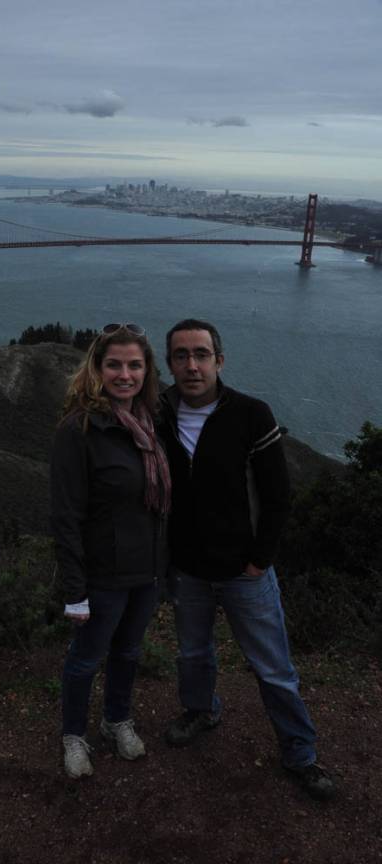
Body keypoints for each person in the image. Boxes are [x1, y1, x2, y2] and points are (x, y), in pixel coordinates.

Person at [157, 317, 334, 801]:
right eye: (181, 356)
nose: (191, 365)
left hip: (244, 571)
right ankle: (201, 711)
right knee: (192, 654)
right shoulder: (159, 415)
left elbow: (278, 496)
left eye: (201, 354)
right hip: (189, 569)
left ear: (219, 360)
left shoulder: (252, 414)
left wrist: (260, 559)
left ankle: (301, 753)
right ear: (169, 362)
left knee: (273, 667)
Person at [50, 323, 171, 779]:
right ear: (97, 369)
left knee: (128, 653)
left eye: (134, 365)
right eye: (114, 364)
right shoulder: (79, 429)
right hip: (102, 574)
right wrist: (75, 589)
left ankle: (117, 720)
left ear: (146, 370)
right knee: (86, 658)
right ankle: (74, 735)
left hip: (146, 571)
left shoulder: (151, 422)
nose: (125, 374)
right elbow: (65, 516)